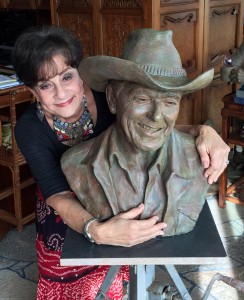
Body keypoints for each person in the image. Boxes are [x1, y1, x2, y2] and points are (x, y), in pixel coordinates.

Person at [12, 25, 229, 299]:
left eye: (67, 77)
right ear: (34, 92)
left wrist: (204, 131)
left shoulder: (106, 97)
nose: (60, 92)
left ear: (80, 75)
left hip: (120, 194)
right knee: (68, 280)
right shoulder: (30, 129)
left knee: (112, 278)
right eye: (46, 85)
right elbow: (56, 192)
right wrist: (97, 231)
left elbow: (153, 128)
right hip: (64, 209)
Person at [61, 29, 211, 237]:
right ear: (113, 99)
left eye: (169, 102)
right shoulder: (77, 163)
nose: (157, 116)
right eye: (142, 99)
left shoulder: (199, 158)